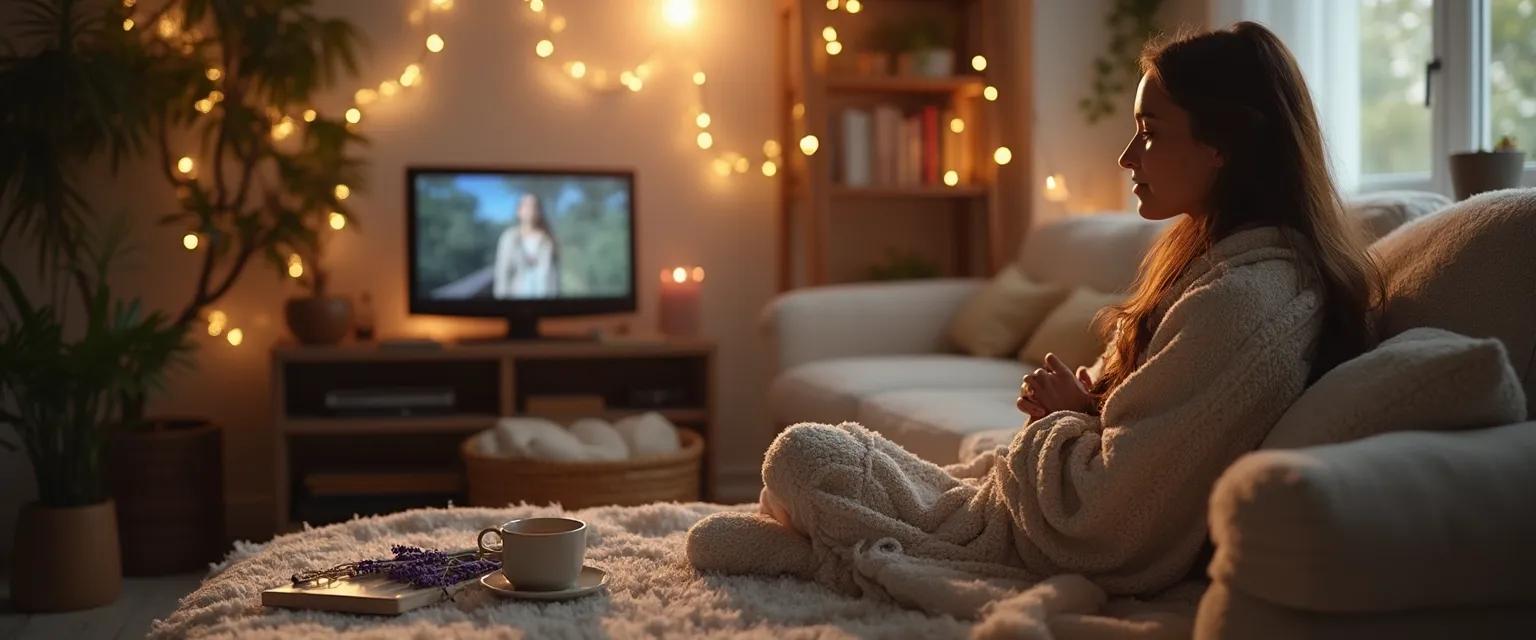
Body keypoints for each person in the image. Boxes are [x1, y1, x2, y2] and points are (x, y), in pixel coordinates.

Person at [686, 22, 1382, 616]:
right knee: (821, 461)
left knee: (804, 455)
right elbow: (1142, 441)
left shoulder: (1240, 303)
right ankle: (829, 542)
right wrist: (1086, 406)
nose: (1127, 157)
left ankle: (832, 559)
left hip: (1038, 531)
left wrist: (1064, 416)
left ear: (1223, 145)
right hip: (1026, 496)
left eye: (1149, 133)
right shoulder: (1226, 269)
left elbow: (1112, 522)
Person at [492, 193, 560, 298]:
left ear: (539, 211)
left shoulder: (548, 239)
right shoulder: (509, 237)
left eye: (534, 206)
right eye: (526, 206)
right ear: (519, 211)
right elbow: (502, 273)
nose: (531, 210)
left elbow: (554, 274)